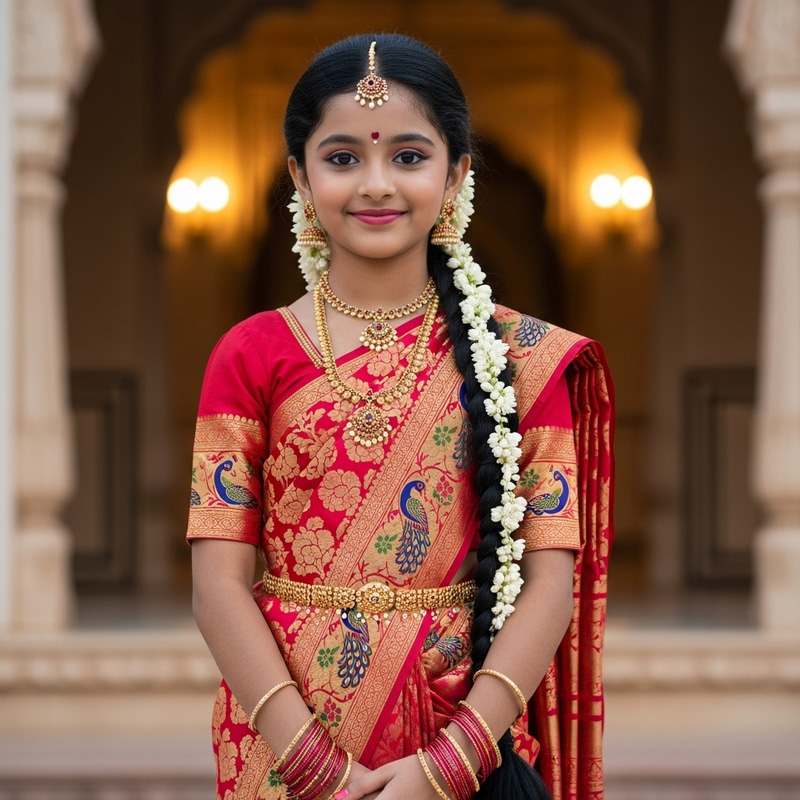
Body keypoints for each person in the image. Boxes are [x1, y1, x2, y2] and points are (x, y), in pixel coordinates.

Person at [188, 33, 614, 800]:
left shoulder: (522, 359)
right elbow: (217, 584)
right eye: (342, 157)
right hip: (281, 741)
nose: (376, 184)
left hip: (459, 731)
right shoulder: (250, 354)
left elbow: (552, 578)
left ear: (456, 176)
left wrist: (451, 764)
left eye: (409, 157)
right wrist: (315, 765)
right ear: (299, 174)